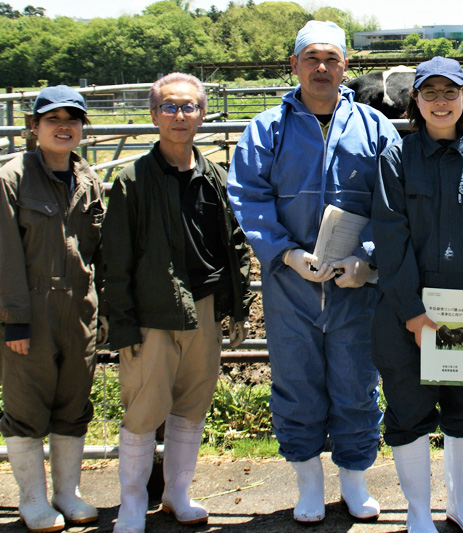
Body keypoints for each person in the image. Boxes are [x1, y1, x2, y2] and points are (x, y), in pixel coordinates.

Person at [226, 21, 399, 524]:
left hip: (354, 284)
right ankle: (306, 483)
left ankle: (354, 480)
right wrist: (284, 252)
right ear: (295, 65)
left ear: (346, 66)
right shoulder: (266, 129)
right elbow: (248, 195)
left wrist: (366, 258)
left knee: (357, 379)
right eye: (311, 59)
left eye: (331, 59)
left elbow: (393, 203)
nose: (321, 68)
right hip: (289, 282)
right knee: (296, 381)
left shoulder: (374, 127)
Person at [371, 56, 463, 533]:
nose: (440, 101)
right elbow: (389, 236)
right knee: (409, 406)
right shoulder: (397, 157)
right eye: (429, 93)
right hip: (407, 314)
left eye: (450, 92)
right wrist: (412, 313)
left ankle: (462, 506)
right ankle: (418, 511)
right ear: (414, 100)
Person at [102, 72, 253, 533]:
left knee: (192, 403)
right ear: (153, 115)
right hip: (153, 310)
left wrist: (238, 305)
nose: (180, 115)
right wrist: (121, 325)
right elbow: (114, 260)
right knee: (144, 407)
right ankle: (132, 501)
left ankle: (177, 493)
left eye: (188, 107)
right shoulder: (132, 181)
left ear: (202, 114)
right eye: (169, 106)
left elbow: (234, 242)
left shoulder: (214, 176)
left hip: (204, 306)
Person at [0, 85, 103, 533]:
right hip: (32, 306)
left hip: (80, 307)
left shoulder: (89, 179)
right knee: (26, 405)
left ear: (83, 127)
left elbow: (98, 249)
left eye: (73, 119)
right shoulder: (12, 178)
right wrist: (14, 318)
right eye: (53, 118)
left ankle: (67, 492)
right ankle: (33, 500)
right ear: (33, 126)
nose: (65, 126)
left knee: (72, 400)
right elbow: (4, 255)